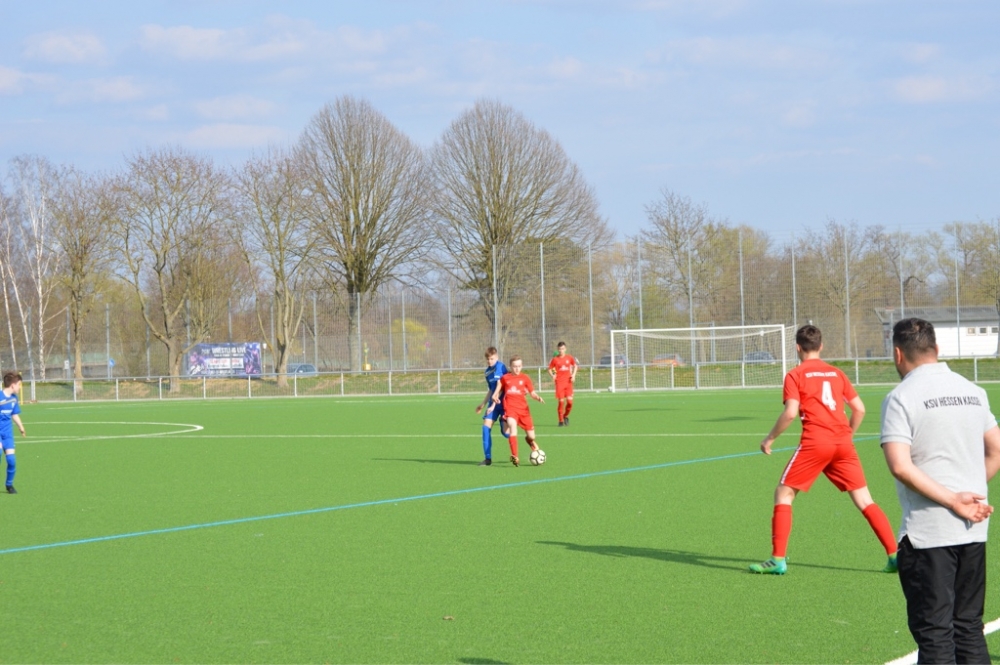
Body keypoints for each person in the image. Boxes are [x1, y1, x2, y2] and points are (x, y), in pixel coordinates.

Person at [881, 317, 1000, 663]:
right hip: (973, 527)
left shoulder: (901, 397)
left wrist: (951, 500)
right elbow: (996, 450)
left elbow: (900, 465)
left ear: (898, 353)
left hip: (928, 533)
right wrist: (969, 493)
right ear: (937, 348)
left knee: (934, 634)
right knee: (968, 627)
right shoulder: (972, 391)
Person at [749, 325, 898, 575]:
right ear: (821, 346)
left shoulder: (795, 375)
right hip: (843, 444)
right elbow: (860, 409)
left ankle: (777, 559)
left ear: (797, 348)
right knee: (865, 500)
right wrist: (847, 435)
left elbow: (790, 413)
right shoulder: (837, 373)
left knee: (784, 494)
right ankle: (894, 555)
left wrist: (769, 439)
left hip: (815, 443)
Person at [492, 355, 544, 467]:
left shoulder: (525, 378)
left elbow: (532, 393)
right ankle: (515, 456)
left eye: (519, 366)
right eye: (515, 366)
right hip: (510, 409)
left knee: (532, 436)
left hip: (524, 411)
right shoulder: (505, 378)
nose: (517, 368)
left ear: (522, 366)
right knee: (512, 426)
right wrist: (495, 396)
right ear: (510, 366)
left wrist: (537, 397)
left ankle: (529, 441)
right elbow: (499, 386)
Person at [474, 347, 509, 466]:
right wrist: (483, 404)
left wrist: (493, 405)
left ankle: (515, 450)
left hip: (504, 403)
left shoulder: (500, 367)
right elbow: (491, 390)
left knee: (506, 433)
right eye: (488, 359)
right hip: (493, 404)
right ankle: (487, 458)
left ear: (497, 357)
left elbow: (500, 386)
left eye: (492, 358)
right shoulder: (487, 372)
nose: (490, 361)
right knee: (485, 428)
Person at [1, 371, 26, 494]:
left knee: (11, 460)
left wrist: (21, 427)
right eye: (19, 385)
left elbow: (14, 414)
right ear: (13, 385)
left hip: (7, 434)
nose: (20, 388)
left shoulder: (14, 399)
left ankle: (9, 485)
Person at [548, 341, 578, 426]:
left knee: (570, 402)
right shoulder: (555, 359)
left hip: (568, 383)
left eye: (563, 349)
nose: (561, 350)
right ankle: (560, 420)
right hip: (559, 383)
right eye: (560, 349)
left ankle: (565, 416)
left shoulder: (569, 358)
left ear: (565, 349)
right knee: (561, 402)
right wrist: (553, 375)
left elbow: (575, 366)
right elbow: (551, 368)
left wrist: (573, 375)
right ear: (558, 349)